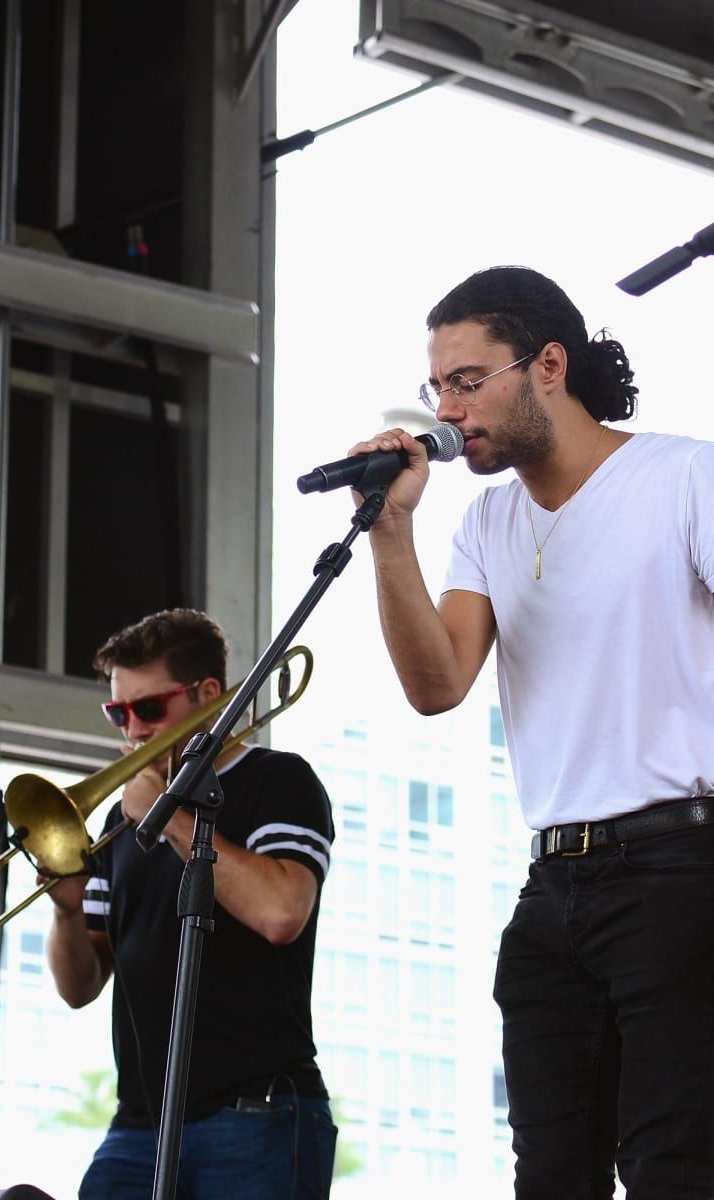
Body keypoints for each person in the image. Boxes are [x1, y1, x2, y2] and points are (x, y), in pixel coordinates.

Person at [354, 265, 714, 1197]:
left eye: (468, 381)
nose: (448, 408)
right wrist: (392, 534)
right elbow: (436, 686)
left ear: (548, 364)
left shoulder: (684, 476)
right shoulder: (487, 519)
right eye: (437, 387)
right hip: (554, 885)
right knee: (551, 1176)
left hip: (682, 867)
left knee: (674, 1164)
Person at [46, 608, 337, 1199]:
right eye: (117, 712)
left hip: (257, 1110)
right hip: (139, 1124)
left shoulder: (279, 780)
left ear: (207, 694)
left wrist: (171, 816)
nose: (132, 731)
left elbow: (282, 914)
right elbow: (79, 987)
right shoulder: (117, 819)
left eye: (148, 709)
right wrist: (66, 910)